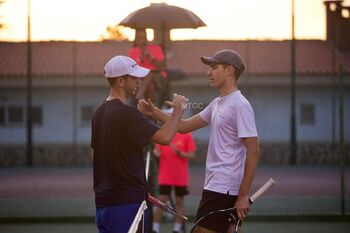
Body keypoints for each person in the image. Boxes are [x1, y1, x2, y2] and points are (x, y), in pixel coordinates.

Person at [138, 49, 260, 233]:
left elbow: (254, 151)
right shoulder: (217, 103)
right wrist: (154, 112)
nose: (208, 73)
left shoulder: (240, 105)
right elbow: (184, 126)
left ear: (229, 70)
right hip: (214, 184)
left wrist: (242, 195)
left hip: (225, 186)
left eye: (214, 67)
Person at [90, 55, 188, 233]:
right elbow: (165, 137)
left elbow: (95, 156)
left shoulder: (98, 113)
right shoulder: (128, 114)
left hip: (104, 203)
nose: (138, 81)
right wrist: (178, 111)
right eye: (134, 77)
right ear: (121, 81)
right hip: (127, 204)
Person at [152, 108, 197, 233]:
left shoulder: (186, 134)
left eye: (172, 115)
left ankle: (177, 229)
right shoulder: (163, 133)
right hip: (165, 175)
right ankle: (155, 228)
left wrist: (181, 153)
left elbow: (192, 154)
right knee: (161, 201)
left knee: (179, 202)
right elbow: (157, 150)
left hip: (180, 176)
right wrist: (156, 153)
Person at [128, 28, 170, 107]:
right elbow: (132, 70)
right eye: (140, 37)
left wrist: (150, 57)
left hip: (158, 76)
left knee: (150, 74)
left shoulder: (156, 48)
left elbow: (162, 67)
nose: (142, 40)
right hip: (141, 77)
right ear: (136, 39)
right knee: (151, 86)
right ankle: (151, 107)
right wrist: (140, 59)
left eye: (144, 37)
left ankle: (138, 97)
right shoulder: (133, 52)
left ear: (147, 38)